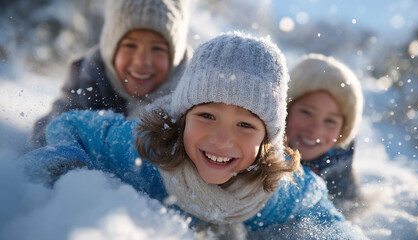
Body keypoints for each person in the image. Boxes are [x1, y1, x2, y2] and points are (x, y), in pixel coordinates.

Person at [21, 32, 367, 239]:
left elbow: (325, 218)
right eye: (206, 115)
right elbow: (72, 127)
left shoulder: (276, 191)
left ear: (268, 139)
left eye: (245, 125)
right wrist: (62, 169)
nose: (221, 139)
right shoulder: (143, 151)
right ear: (182, 118)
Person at [29, 0, 191, 148]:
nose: (142, 62)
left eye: (157, 48)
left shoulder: (192, 96)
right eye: (130, 45)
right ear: (111, 49)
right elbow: (48, 135)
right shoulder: (89, 81)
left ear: (175, 57)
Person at [285, 53, 364, 213]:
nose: (315, 129)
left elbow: (348, 211)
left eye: (330, 121)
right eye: (306, 112)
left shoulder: (339, 163)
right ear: (285, 110)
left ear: (343, 131)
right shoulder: (260, 146)